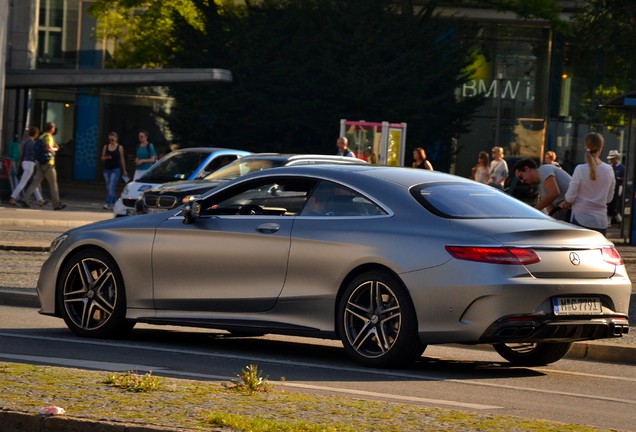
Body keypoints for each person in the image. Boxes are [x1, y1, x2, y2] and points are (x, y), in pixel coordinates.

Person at [560, 132, 615, 236]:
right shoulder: (609, 170)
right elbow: (609, 199)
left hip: (580, 219)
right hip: (600, 221)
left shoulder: (580, 169)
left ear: (585, 146)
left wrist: (564, 204)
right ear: (601, 147)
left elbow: (570, 197)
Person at [18, 122, 66, 210]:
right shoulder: (49, 137)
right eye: (54, 128)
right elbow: (48, 148)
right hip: (49, 164)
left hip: (40, 163)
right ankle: (56, 204)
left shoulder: (41, 136)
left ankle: (24, 199)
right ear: (51, 129)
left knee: (35, 183)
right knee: (53, 184)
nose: (54, 130)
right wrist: (56, 148)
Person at [9, 126, 46, 207]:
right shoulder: (33, 143)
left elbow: (22, 152)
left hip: (24, 162)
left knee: (33, 183)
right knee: (23, 183)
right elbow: (35, 154)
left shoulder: (25, 142)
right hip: (30, 164)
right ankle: (13, 198)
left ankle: (40, 200)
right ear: (36, 134)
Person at [101, 131, 128, 210]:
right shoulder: (106, 146)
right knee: (109, 187)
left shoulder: (119, 147)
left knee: (111, 186)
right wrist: (106, 157)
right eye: (110, 140)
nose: (111, 141)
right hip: (107, 169)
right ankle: (115, 203)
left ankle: (107, 203)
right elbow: (102, 158)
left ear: (116, 139)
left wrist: (124, 170)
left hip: (115, 169)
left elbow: (122, 159)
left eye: (113, 140)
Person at [606, 149, 625, 226]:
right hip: (609, 188)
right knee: (609, 204)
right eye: (611, 159)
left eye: (613, 158)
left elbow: (625, 178)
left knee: (614, 205)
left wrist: (618, 178)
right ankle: (618, 220)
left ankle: (617, 220)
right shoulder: (609, 167)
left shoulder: (622, 167)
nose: (611, 160)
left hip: (618, 188)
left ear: (617, 158)